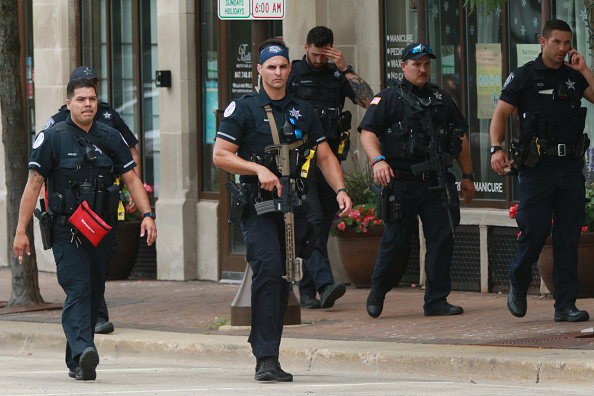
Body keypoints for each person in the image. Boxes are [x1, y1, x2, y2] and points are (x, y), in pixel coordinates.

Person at [213, 39, 352, 382]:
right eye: (271, 67)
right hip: (258, 206)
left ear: (290, 69)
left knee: (283, 277)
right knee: (269, 268)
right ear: (259, 70)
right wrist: (257, 169)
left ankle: (267, 351)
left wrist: (342, 190)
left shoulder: (302, 109)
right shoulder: (242, 109)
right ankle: (266, 357)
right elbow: (220, 154)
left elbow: (324, 156)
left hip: (294, 206)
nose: (278, 72)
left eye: (283, 66)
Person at [13, 78, 157, 380]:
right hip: (66, 229)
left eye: (91, 99)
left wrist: (147, 214)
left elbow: (131, 179)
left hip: (102, 228)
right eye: (80, 99)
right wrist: (20, 230)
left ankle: (77, 361)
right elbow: (34, 183)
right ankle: (85, 349)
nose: (87, 104)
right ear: (69, 104)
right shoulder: (52, 138)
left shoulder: (111, 136)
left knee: (93, 292)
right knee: (78, 288)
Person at [359, 42, 475, 318]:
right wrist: (378, 160)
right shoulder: (388, 98)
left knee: (442, 238)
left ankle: (436, 300)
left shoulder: (442, 98)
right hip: (401, 182)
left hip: (437, 181)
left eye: (426, 64)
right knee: (396, 241)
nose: (422, 69)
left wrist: (468, 175)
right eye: (416, 64)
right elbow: (367, 132)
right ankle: (378, 290)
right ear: (403, 66)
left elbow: (460, 137)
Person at [490, 19, 594, 322]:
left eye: (567, 43)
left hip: (571, 167)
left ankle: (565, 305)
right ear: (543, 41)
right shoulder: (525, 76)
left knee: (568, 236)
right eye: (557, 42)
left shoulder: (574, 77)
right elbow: (500, 114)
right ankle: (519, 279)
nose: (562, 49)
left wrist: (585, 69)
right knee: (535, 230)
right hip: (538, 168)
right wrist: (496, 147)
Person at [45, 66, 141, 335]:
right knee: (78, 283)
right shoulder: (56, 128)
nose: (88, 101)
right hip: (69, 219)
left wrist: (138, 197)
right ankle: (85, 342)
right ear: (70, 98)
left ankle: (88, 333)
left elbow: (130, 158)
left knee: (97, 274)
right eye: (82, 92)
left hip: (102, 213)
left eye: (93, 91)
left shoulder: (108, 117)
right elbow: (38, 176)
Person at [287, 26, 374, 309]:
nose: (320, 60)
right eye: (315, 54)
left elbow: (367, 101)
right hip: (300, 162)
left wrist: (346, 68)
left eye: (325, 55)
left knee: (322, 225)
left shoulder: (337, 74)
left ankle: (311, 292)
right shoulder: (293, 73)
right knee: (311, 221)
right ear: (306, 47)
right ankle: (324, 283)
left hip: (330, 160)